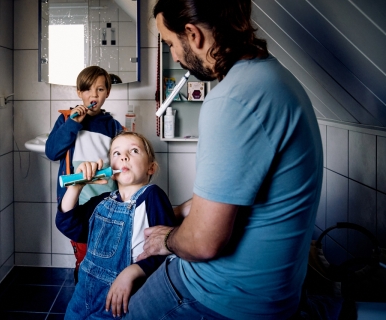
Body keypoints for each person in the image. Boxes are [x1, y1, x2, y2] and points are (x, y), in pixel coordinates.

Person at [123, 1, 324, 319]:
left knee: (132, 310)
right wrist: (177, 212)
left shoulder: (232, 99)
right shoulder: (275, 78)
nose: (174, 55)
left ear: (193, 34)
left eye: (171, 43)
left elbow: (203, 243)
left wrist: (169, 240)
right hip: (276, 293)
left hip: (224, 295)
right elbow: (237, 192)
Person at [56, 131, 177, 319]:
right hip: (82, 298)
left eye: (134, 151)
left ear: (150, 168)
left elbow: (166, 250)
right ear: (111, 170)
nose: (124, 157)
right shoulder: (102, 201)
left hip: (121, 302)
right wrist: (76, 187)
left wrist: (132, 272)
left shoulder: (152, 196)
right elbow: (68, 225)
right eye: (116, 153)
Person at [45, 66, 124, 283]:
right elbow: (52, 152)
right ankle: (83, 277)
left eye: (100, 90)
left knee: (106, 248)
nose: (94, 95)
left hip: (105, 199)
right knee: (83, 248)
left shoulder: (113, 126)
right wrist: (72, 124)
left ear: (108, 92)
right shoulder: (66, 120)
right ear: (79, 92)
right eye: (88, 90)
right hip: (76, 199)